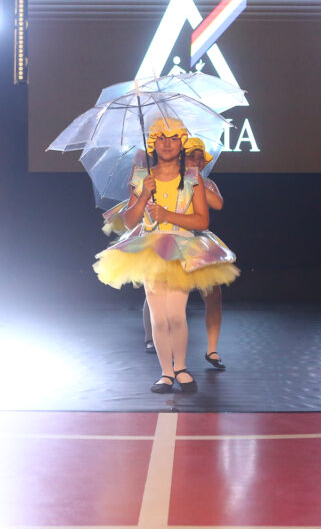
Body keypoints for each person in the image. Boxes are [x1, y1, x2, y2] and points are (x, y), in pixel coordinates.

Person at [94, 117, 239, 394]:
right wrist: (143, 195)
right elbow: (129, 222)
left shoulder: (193, 178)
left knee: (175, 315)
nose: (167, 144)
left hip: (181, 248)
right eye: (161, 138)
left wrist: (167, 215)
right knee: (159, 318)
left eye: (173, 138)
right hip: (150, 249)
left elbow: (202, 221)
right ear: (153, 143)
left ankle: (181, 368)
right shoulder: (142, 178)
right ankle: (166, 373)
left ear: (182, 142)